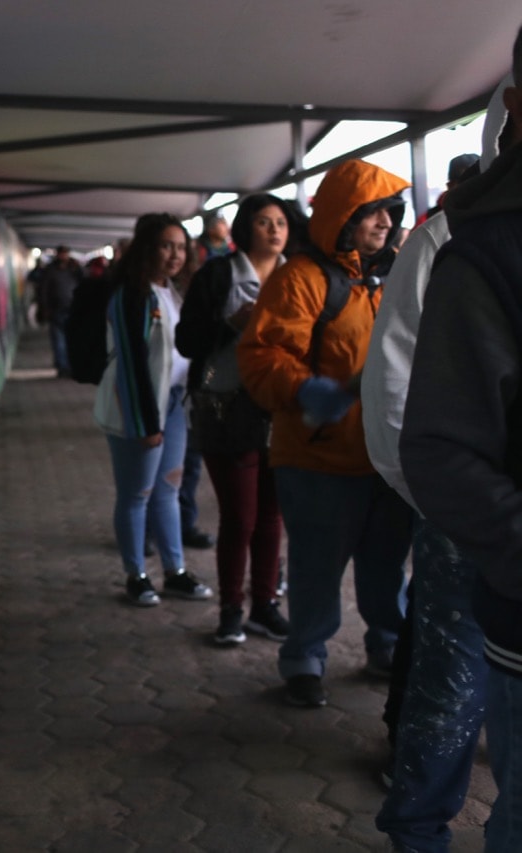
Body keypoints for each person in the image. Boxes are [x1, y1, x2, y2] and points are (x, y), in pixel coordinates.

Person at [366, 72, 514, 852]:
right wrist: (432, 500)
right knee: (450, 692)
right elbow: (393, 378)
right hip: (463, 519)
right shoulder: (443, 239)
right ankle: (418, 826)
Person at [237, 158, 413, 708]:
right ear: (343, 216)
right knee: (316, 567)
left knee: (386, 567)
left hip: (384, 457)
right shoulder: (302, 279)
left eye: (390, 210)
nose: (384, 221)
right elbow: (261, 355)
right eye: (372, 211)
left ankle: (388, 647)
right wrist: (307, 388)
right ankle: (305, 659)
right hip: (317, 459)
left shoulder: (391, 278)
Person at [177, 194, 303, 645]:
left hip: (283, 406)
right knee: (239, 516)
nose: (274, 230)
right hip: (225, 406)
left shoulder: (298, 276)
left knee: (272, 517)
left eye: (281, 223)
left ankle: (264, 606)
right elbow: (187, 340)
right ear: (246, 227)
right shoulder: (218, 274)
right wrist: (231, 323)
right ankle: (231, 609)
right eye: (265, 222)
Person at [95, 213, 213, 607]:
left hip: (174, 405)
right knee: (136, 494)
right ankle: (137, 575)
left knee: (168, 491)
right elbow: (131, 364)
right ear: (147, 248)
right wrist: (146, 422)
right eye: (166, 246)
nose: (175, 255)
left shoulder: (173, 292)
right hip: (138, 409)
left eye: (181, 247)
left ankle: (175, 572)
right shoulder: (132, 295)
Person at [36, 245, 83, 376]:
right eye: (61, 254)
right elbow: (43, 290)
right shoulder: (50, 270)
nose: (63, 256)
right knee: (58, 339)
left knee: (71, 339)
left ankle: (70, 365)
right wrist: (44, 308)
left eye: (65, 253)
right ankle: (62, 367)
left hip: (72, 308)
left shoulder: (73, 269)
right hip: (55, 309)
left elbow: (83, 281)